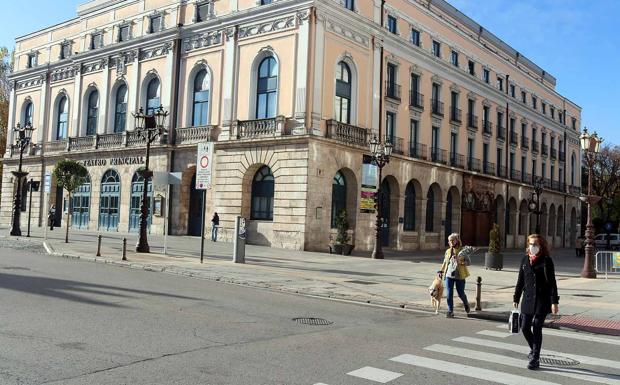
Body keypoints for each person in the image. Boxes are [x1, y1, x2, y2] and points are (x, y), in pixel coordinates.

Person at [513, 234, 560, 370]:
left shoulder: (546, 261)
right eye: (531, 244)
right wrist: (516, 297)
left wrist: (554, 302)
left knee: (537, 325)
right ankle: (534, 349)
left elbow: (552, 283)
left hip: (542, 299)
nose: (533, 247)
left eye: (536, 244)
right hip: (527, 298)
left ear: (541, 246)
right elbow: (520, 281)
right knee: (525, 327)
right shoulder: (524, 260)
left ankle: (535, 358)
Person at [438, 233, 470, 318]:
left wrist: (461, 262)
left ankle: (465, 302)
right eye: (449, 241)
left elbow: (469, 262)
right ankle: (450, 311)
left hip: (459, 275)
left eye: (452, 240)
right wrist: (441, 271)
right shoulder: (448, 251)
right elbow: (445, 262)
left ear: (457, 240)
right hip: (449, 275)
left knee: (461, 294)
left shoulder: (463, 251)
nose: (451, 242)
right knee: (449, 294)